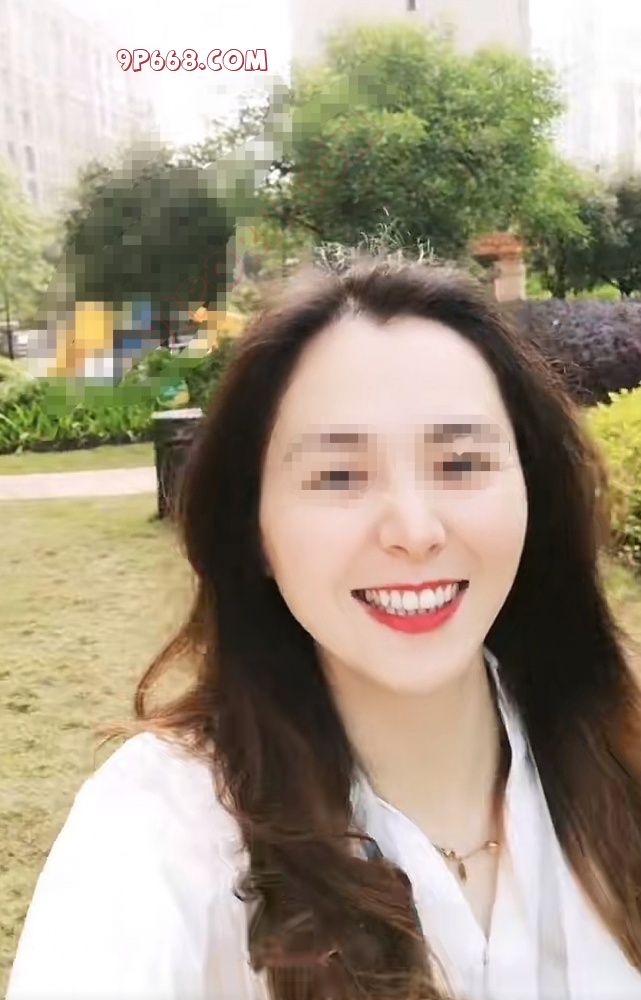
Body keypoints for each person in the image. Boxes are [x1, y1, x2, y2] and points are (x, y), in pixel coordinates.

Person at [7, 257, 641, 1000]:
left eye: (461, 463)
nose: (414, 530)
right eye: (338, 476)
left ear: (532, 492)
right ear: (253, 528)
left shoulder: (618, 754)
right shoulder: (160, 832)